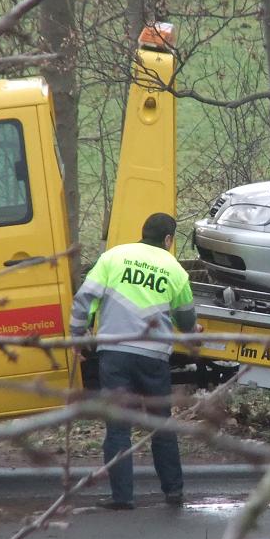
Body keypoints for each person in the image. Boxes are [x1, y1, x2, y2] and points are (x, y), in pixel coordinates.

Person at [69, 213, 200, 510]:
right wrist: (193, 330)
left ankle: (122, 497)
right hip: (154, 358)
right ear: (168, 239)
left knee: (118, 427)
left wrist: (78, 334)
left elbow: (84, 299)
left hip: (115, 353)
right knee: (160, 423)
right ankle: (174, 491)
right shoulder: (175, 269)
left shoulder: (113, 257)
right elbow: (185, 318)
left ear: (143, 232)